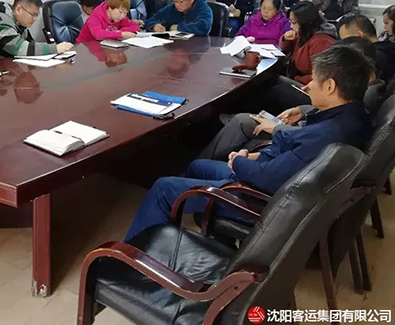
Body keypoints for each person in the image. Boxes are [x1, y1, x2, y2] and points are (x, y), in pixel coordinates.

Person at [125, 45, 373, 241]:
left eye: (314, 80)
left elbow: (266, 178)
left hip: (258, 200)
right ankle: (185, 224)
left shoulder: (325, 135)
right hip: (275, 183)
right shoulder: (355, 117)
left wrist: (240, 160)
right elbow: (294, 150)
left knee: (163, 187)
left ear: (330, 86)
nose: (307, 86)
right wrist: (255, 156)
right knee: (198, 166)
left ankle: (130, 264)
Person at [200, 37, 387, 161]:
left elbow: (317, 137)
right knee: (247, 118)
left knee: (246, 118)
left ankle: (202, 165)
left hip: (298, 141)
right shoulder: (368, 90)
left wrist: (276, 129)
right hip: (303, 129)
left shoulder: (364, 101)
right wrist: (303, 111)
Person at [259, 1, 338, 113]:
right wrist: (286, 39)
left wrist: (296, 79)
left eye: (294, 23)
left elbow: (322, 76)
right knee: (266, 80)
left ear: (305, 22)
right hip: (299, 80)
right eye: (290, 22)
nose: (291, 26)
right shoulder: (306, 33)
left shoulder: (322, 41)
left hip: (313, 90)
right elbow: (288, 49)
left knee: (274, 89)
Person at [0, 0, 73, 60]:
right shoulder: (1, 21)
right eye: (33, 14)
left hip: (6, 65)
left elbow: (31, 43)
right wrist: (54, 48)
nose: (34, 19)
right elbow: (19, 48)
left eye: (36, 15)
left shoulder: (18, 23)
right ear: (19, 9)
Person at [339, 14, 395, 83]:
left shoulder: (369, 59)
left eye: (345, 40)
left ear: (359, 36)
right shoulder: (389, 49)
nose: (343, 44)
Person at [144, 0, 213, 36]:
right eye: (175, 1)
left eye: (181, 2)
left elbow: (203, 27)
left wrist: (178, 27)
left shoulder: (204, 9)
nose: (177, 5)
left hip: (197, 46)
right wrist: (154, 26)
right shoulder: (172, 8)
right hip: (174, 45)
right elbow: (151, 20)